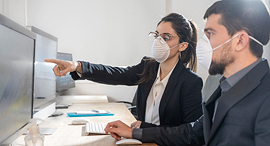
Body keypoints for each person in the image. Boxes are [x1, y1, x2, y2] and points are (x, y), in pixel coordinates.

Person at [104, 0, 270, 145]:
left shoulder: (265, 95)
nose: (203, 45)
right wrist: (134, 133)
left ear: (240, 41)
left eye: (210, 34)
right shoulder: (227, 86)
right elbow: (191, 133)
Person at [45, 13, 203, 130]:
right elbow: (114, 73)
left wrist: (143, 130)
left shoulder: (190, 82)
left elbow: (190, 134)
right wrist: (77, 65)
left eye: (166, 37)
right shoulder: (148, 67)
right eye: (156, 35)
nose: (158, 42)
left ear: (182, 45)